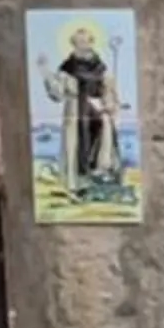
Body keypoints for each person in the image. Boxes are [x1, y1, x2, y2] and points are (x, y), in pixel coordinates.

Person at [40, 24, 120, 199]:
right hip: (77, 114)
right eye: (79, 42)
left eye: (86, 41)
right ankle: (77, 186)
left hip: (97, 113)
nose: (83, 45)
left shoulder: (101, 68)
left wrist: (109, 104)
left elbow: (109, 92)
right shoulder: (67, 69)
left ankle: (100, 176)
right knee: (76, 149)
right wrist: (46, 73)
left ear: (92, 43)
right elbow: (58, 93)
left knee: (104, 136)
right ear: (73, 44)